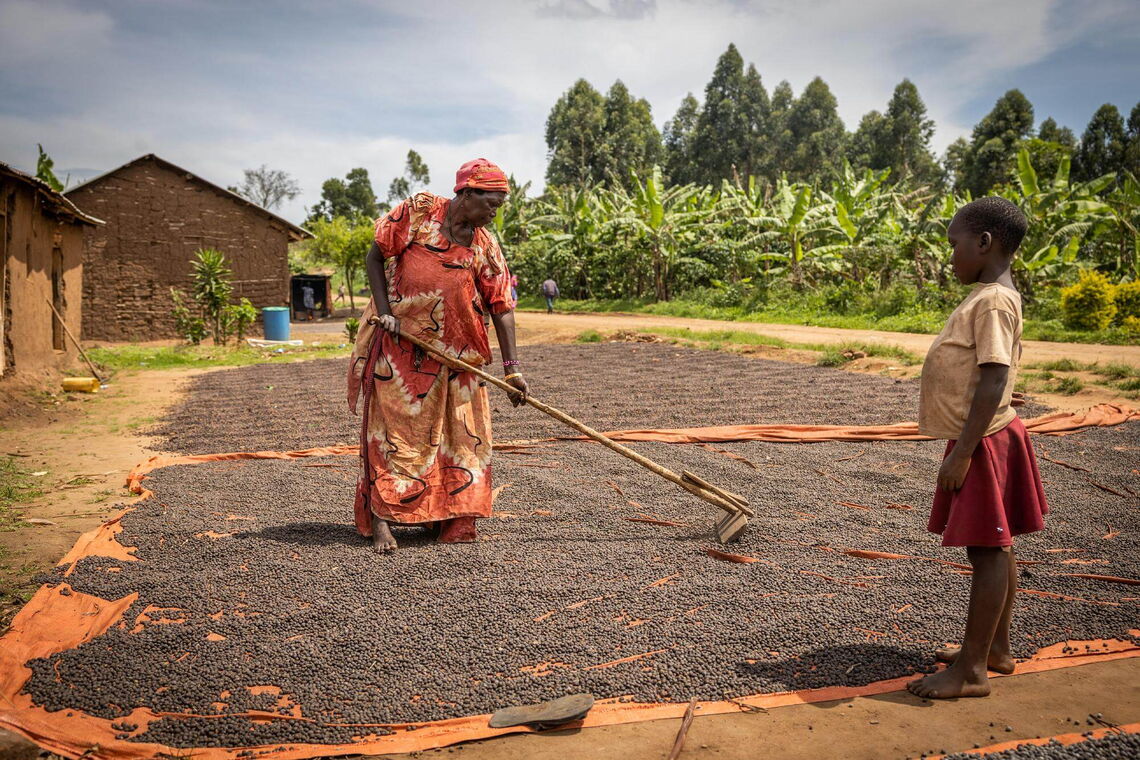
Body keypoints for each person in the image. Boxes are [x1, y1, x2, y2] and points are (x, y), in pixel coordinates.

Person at [347, 158, 528, 553]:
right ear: (466, 192)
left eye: (500, 205)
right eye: (490, 203)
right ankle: (383, 520)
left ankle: (446, 518)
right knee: (396, 437)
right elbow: (375, 257)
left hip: (461, 360)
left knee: (462, 440)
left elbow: (501, 305)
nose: (494, 213)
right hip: (402, 350)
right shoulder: (420, 211)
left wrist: (513, 370)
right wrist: (386, 312)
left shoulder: (485, 245)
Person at [906, 197, 1047, 700]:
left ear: (983, 243)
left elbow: (993, 379)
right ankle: (995, 649)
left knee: (986, 549)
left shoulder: (991, 301)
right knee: (998, 544)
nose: (950, 257)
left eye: (953, 245)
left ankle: (970, 672)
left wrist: (962, 452)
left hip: (982, 439)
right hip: (989, 432)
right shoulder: (997, 296)